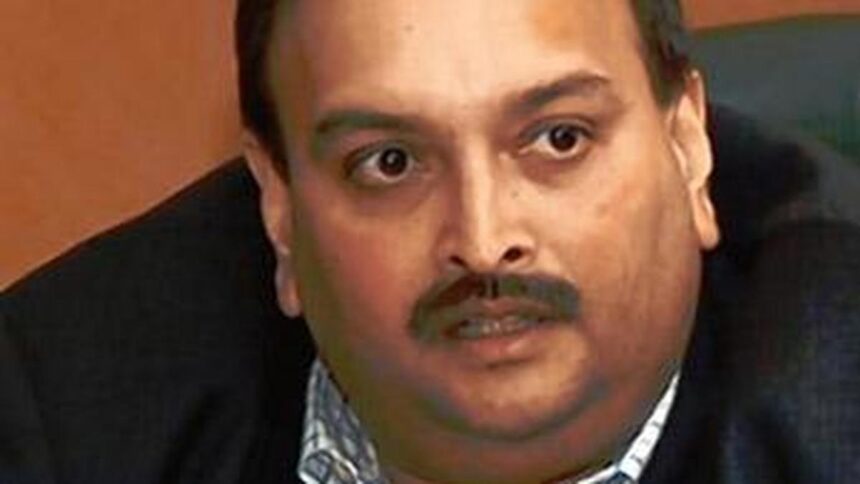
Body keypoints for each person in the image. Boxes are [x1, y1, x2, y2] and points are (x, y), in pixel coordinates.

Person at [2, 0, 858, 483]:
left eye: (558, 139)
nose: (484, 241)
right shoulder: (64, 421)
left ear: (688, 147)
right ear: (279, 211)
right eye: (391, 162)